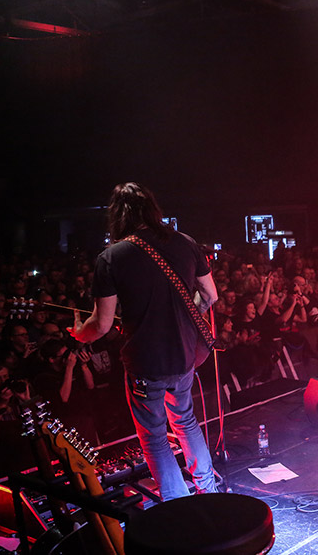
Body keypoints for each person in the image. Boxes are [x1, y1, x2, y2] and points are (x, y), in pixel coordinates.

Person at [69, 182, 219, 502]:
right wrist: (185, 314)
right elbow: (210, 296)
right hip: (184, 355)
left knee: (153, 437)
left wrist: (80, 333)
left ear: (119, 216)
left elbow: (103, 324)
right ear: (153, 209)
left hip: (146, 361)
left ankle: (178, 506)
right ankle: (209, 491)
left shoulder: (112, 257)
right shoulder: (186, 242)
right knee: (186, 420)